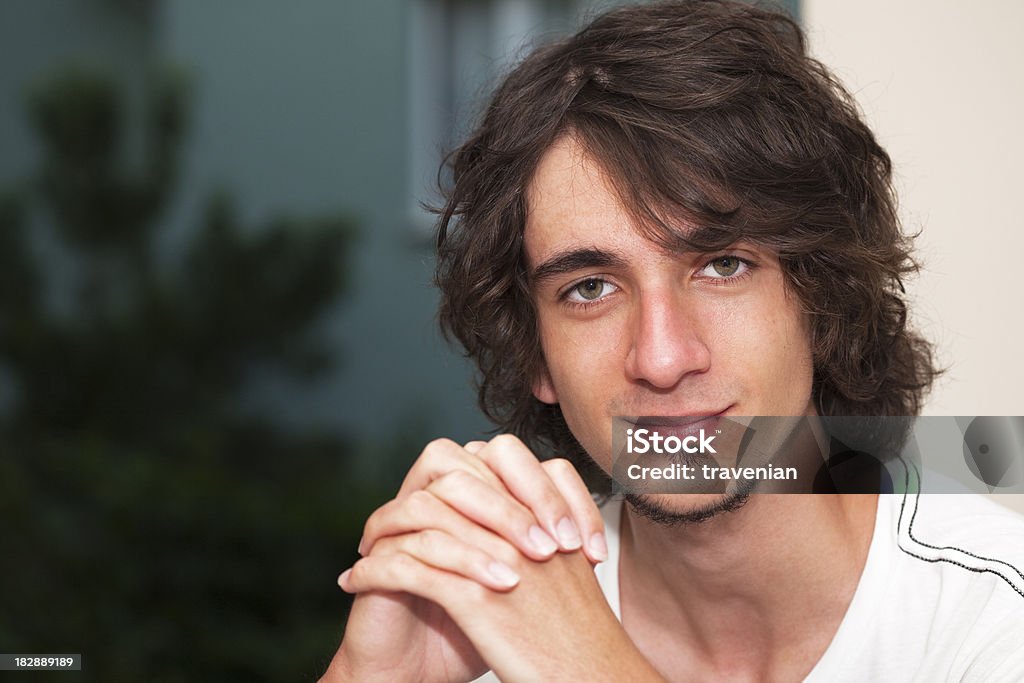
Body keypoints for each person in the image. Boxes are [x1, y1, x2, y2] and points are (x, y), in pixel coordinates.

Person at [320, 1, 1024, 681]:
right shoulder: (490, 626)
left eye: (722, 266)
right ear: (536, 352)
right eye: (590, 287)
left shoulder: (992, 612)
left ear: (822, 296)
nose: (660, 357)